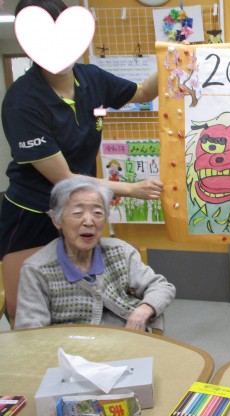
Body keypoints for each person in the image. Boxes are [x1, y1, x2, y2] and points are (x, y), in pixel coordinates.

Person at [0, 0, 163, 259]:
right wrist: (132, 189)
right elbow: (64, 178)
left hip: (79, 207)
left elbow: (143, 92)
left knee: (81, 276)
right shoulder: (21, 102)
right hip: (33, 211)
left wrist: (169, 59)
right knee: (29, 282)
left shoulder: (92, 77)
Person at [14, 177, 175, 331]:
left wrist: (144, 310)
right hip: (69, 346)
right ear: (56, 220)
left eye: (97, 213)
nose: (89, 222)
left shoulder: (120, 251)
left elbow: (161, 286)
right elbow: (32, 331)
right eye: (78, 213)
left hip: (126, 337)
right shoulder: (37, 269)